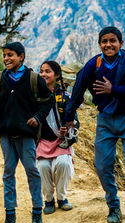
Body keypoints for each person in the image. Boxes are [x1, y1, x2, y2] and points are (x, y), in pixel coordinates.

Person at [65, 26, 125, 223]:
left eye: (113, 41)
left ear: (120, 43)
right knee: (102, 166)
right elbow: (78, 89)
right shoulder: (93, 65)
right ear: (100, 44)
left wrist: (113, 89)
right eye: (104, 41)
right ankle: (113, 206)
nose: (108, 44)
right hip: (105, 121)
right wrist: (69, 114)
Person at [0, 42, 54, 223]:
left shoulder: (34, 79)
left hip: (27, 135)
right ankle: (10, 213)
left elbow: (48, 101)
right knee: (8, 172)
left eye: (10, 55)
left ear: (21, 57)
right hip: (5, 134)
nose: (6, 59)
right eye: (4, 55)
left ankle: (37, 211)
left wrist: (37, 117)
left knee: (32, 171)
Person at [37, 60, 80, 214]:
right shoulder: (35, 97)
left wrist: (69, 127)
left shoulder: (65, 98)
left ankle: (62, 198)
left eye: (47, 71)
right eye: (41, 71)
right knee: (42, 167)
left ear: (57, 75)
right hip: (42, 142)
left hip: (62, 143)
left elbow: (75, 121)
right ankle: (48, 200)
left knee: (63, 164)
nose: (43, 74)